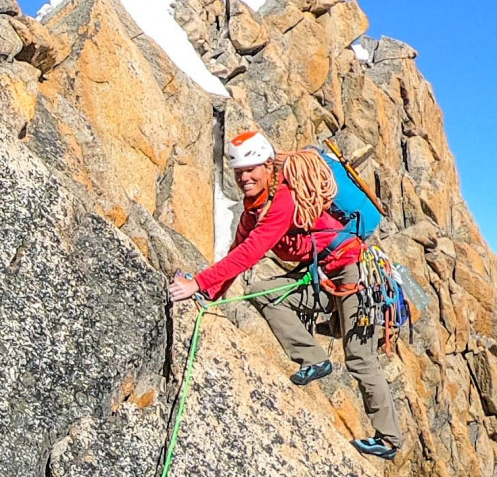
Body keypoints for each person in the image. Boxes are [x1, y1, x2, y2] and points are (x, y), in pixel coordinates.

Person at [170, 129, 404, 460]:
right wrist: (208, 291)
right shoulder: (254, 209)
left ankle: (389, 439)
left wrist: (196, 283)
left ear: (268, 166)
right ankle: (313, 359)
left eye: (251, 170)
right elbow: (239, 250)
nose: (245, 178)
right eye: (239, 172)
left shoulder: (284, 199)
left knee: (360, 357)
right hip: (321, 274)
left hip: (352, 271)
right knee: (262, 291)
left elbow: (252, 251)